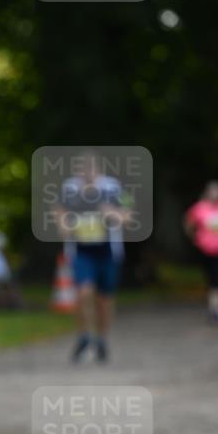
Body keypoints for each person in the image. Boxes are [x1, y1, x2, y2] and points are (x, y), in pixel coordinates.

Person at [54, 152, 133, 363]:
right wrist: (64, 226)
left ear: (98, 170)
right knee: (84, 292)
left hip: (107, 250)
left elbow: (127, 216)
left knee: (104, 299)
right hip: (81, 250)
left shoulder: (112, 188)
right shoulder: (70, 189)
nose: (86, 174)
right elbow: (59, 213)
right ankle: (84, 335)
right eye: (82, 169)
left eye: (90, 169)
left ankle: (102, 339)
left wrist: (112, 214)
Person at [184, 180, 218, 323]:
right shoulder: (200, 208)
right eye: (212, 191)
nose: (215, 194)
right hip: (207, 251)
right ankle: (215, 309)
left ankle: (216, 309)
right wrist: (196, 239)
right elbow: (189, 224)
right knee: (213, 281)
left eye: (217, 191)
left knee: (217, 281)